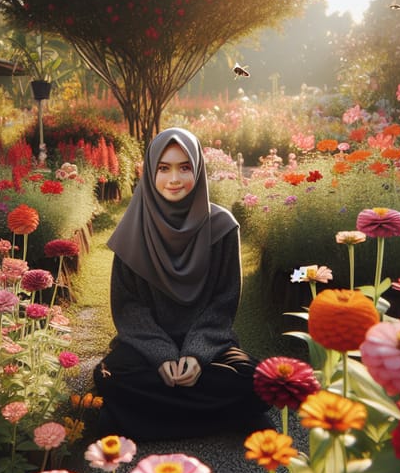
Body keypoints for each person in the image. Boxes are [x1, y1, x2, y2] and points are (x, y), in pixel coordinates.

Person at [93, 127, 271, 441]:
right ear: (150, 172)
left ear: (198, 169)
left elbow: (223, 302)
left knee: (255, 379)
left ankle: (137, 420)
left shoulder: (222, 227)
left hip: (210, 346)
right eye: (164, 168)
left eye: (184, 167)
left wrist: (197, 353)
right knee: (109, 376)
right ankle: (225, 416)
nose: (174, 179)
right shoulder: (131, 231)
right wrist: (162, 354)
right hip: (145, 349)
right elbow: (128, 307)